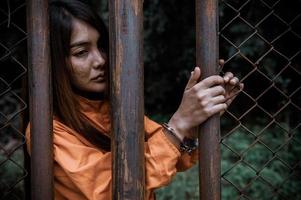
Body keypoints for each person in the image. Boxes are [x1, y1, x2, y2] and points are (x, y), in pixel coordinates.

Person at [25, 0, 244, 199]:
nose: (101, 60)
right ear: (52, 63)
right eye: (81, 52)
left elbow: (170, 157)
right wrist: (179, 125)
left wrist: (195, 121)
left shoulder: (112, 109)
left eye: (101, 46)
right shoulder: (47, 131)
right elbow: (111, 189)